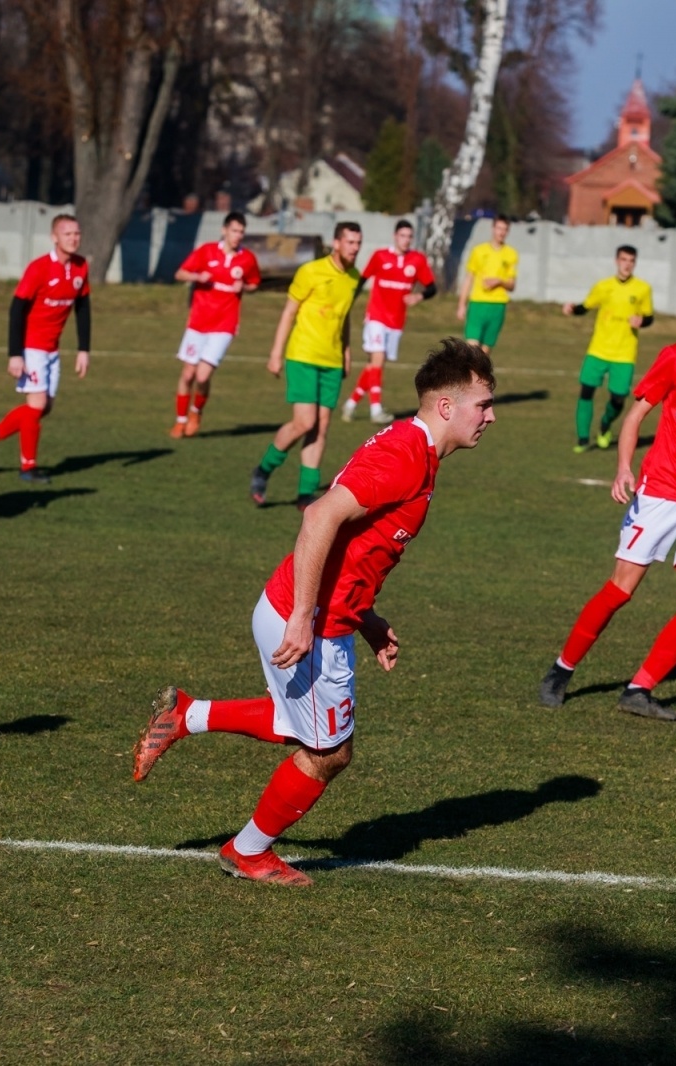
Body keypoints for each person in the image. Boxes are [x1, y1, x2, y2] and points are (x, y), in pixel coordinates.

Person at [133, 339, 498, 885]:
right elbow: (319, 517)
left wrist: (367, 619)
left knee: (299, 726)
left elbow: (356, 548)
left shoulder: (414, 448)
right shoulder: (405, 455)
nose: (490, 417)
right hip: (308, 622)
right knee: (329, 754)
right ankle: (247, 852)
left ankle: (187, 714)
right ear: (446, 406)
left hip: (311, 612)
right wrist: (304, 617)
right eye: (483, 405)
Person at [538, 275, 676, 721]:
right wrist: (624, 467)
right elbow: (636, 415)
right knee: (620, 590)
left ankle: (639, 689)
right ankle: (562, 669)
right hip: (662, 491)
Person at [249, 221, 363, 510]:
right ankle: (263, 469)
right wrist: (276, 353)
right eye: (350, 242)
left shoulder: (354, 277)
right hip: (303, 355)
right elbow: (289, 312)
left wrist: (347, 352)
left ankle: (306, 493)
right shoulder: (310, 271)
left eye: (358, 243)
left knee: (321, 427)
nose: (355, 248)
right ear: (336, 243)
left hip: (332, 361)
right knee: (304, 422)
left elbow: (344, 317)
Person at [0, 215, 92, 483]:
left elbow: (83, 308)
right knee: (36, 405)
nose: (74, 238)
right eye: (68, 234)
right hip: (32, 347)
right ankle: (28, 467)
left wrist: (84, 349)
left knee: (44, 407)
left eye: (77, 233)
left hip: (52, 349)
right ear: (54, 237)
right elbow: (16, 310)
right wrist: (15, 354)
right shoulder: (39, 268)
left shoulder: (81, 266)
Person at [168, 211, 262, 438]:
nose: (238, 235)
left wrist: (244, 288)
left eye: (241, 232)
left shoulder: (247, 259)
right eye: (234, 231)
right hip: (198, 323)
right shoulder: (207, 251)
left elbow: (254, 283)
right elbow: (180, 273)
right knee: (188, 374)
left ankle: (196, 412)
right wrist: (196, 277)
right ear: (224, 230)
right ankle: (180, 421)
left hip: (224, 325)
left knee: (202, 376)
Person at [342, 219, 437, 425]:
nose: (406, 240)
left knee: (374, 366)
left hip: (396, 322)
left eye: (409, 236)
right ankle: (376, 409)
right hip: (376, 317)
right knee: (377, 360)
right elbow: (361, 281)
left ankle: (350, 404)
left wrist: (418, 296)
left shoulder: (417, 260)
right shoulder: (380, 256)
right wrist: (346, 305)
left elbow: (432, 288)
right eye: (402, 235)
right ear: (395, 236)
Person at [564, 245, 654, 453]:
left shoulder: (643, 288)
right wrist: (572, 309)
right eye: (623, 259)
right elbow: (586, 307)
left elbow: (649, 317)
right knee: (586, 391)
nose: (627, 264)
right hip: (598, 350)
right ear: (616, 261)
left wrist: (642, 321)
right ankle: (583, 438)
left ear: (635, 263)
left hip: (624, 353)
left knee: (619, 397)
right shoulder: (603, 286)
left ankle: (605, 424)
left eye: (631, 260)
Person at [456, 214, 517, 353]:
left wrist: (500, 281)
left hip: (498, 305)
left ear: (508, 231)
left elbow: (512, 285)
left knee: (484, 353)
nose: (501, 232)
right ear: (493, 228)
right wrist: (461, 305)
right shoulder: (478, 251)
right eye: (499, 228)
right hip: (477, 303)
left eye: (505, 229)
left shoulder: (511, 254)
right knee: (472, 349)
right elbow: (469, 278)